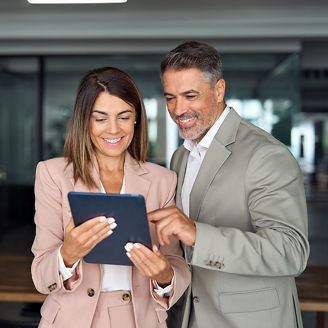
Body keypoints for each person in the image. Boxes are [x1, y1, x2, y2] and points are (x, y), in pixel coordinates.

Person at [148, 41, 310, 328]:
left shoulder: (265, 154)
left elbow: (290, 251)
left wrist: (197, 234)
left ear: (219, 90)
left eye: (190, 96)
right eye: (170, 97)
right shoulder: (180, 156)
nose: (178, 109)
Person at [31, 66, 190, 328]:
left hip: (140, 319)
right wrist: (68, 253)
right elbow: (40, 277)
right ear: (85, 120)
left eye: (124, 117)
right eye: (100, 118)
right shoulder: (52, 174)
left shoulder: (163, 180)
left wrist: (164, 275)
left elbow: (176, 264)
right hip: (72, 319)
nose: (113, 130)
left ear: (137, 118)